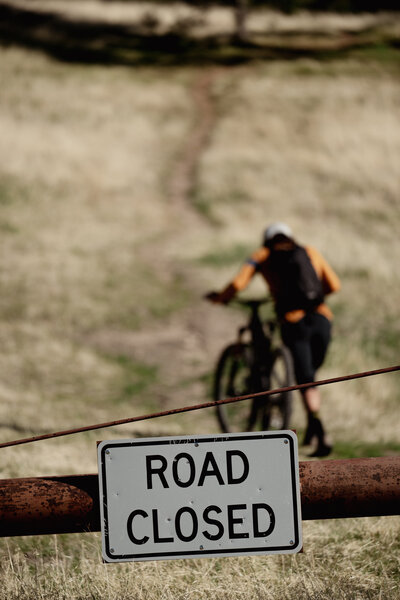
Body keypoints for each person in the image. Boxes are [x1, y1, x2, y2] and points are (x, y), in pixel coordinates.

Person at [206, 222, 341, 457]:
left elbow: (238, 284)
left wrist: (220, 298)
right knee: (309, 377)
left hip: (293, 322)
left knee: (305, 378)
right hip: (322, 319)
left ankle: (319, 429)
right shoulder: (309, 251)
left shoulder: (262, 255)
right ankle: (313, 424)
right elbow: (334, 285)